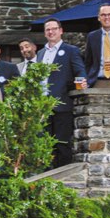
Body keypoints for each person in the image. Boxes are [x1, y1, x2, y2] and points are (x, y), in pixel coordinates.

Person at [35, 18, 87, 166]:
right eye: (47, 30)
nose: (51, 32)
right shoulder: (40, 53)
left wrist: (82, 80)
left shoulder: (71, 50)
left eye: (54, 29)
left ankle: (62, 179)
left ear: (61, 31)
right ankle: (47, 177)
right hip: (43, 107)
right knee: (45, 145)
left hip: (62, 105)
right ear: (45, 33)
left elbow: (80, 70)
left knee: (62, 143)